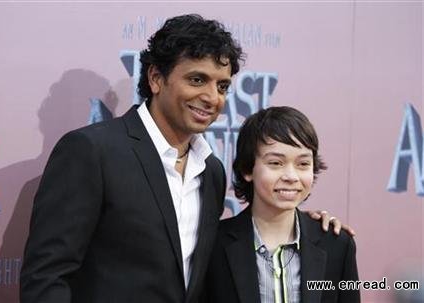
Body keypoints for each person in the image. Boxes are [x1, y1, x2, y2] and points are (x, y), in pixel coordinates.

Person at [20, 14, 352, 303]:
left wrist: (304, 224)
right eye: (197, 80)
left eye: (222, 86)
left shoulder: (210, 171)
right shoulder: (92, 151)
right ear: (155, 78)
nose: (211, 97)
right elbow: (46, 277)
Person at [203, 106, 360, 303]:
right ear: (247, 169)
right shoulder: (213, 245)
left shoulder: (337, 245)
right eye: (276, 163)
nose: (291, 176)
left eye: (303, 164)